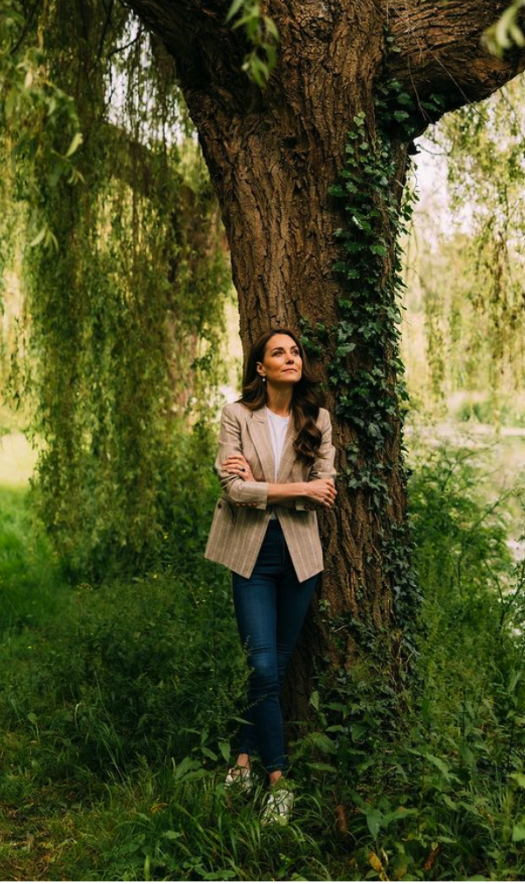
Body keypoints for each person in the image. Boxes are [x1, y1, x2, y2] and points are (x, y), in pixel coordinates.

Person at [204, 327, 337, 826]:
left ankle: (242, 760)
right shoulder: (237, 415)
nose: (290, 357)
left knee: (274, 667)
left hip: (300, 556)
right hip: (251, 554)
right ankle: (279, 781)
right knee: (261, 666)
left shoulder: (317, 420)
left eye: (295, 351)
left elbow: (326, 490)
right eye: (278, 352)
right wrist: (295, 489)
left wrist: (264, 486)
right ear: (261, 367)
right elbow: (234, 490)